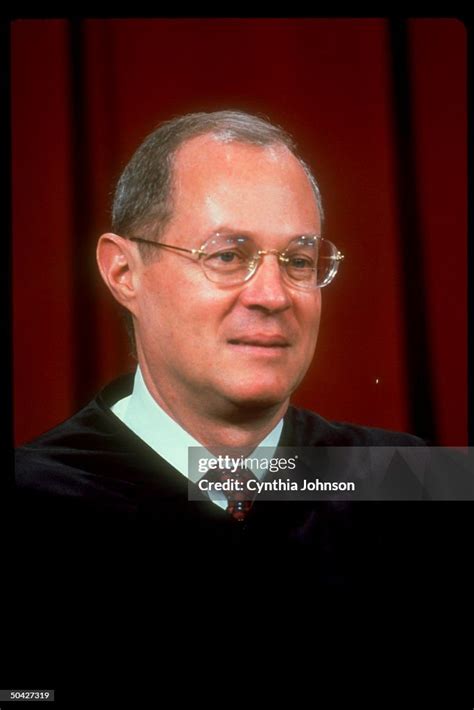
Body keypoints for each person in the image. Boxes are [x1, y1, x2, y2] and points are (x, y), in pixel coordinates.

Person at [14, 110, 462, 587]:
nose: (272, 295)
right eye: (228, 256)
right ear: (125, 273)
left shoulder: (408, 482)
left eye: (298, 261)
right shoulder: (35, 497)